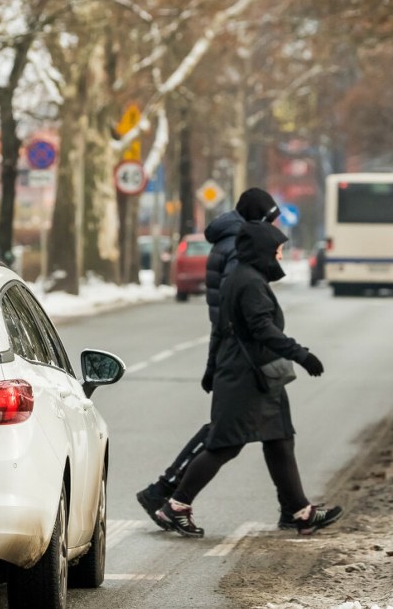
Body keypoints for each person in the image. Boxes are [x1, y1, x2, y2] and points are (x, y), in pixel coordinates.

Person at [154, 221, 343, 537]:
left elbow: (224, 329)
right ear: (262, 251)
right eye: (277, 250)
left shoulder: (244, 276)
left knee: (279, 438)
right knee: (224, 444)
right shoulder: (250, 282)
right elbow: (262, 329)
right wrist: (302, 355)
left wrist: (212, 367)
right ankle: (176, 506)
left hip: (255, 375)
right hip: (245, 377)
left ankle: (300, 511)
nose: (280, 256)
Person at [135, 188, 281, 528]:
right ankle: (167, 492)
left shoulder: (229, 237)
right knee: (223, 433)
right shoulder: (237, 244)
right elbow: (240, 299)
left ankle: (294, 506)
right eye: (271, 221)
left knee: (261, 431)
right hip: (241, 351)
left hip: (234, 347)